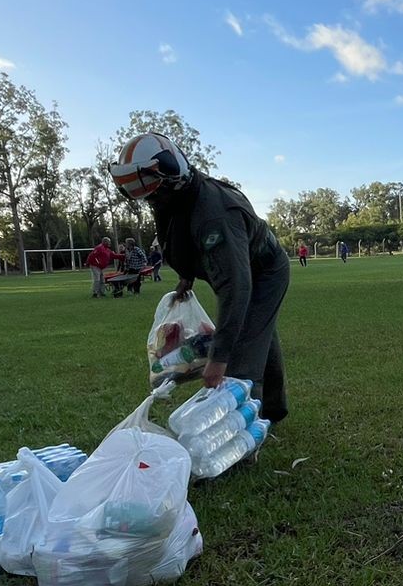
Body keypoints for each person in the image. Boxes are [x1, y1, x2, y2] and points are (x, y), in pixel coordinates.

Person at [109, 132, 289, 422]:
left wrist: (219, 359)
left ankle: (244, 430)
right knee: (259, 334)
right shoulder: (174, 198)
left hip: (264, 271)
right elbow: (178, 237)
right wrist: (186, 275)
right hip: (239, 269)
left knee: (242, 354)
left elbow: (237, 287)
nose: (151, 198)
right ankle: (273, 410)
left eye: (154, 190)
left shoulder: (216, 214)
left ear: (172, 173)